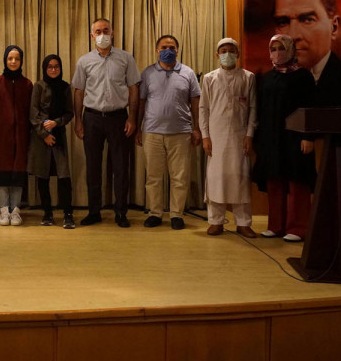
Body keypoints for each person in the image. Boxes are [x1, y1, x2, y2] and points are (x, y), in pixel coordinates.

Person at [71, 18, 140, 227]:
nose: (102, 35)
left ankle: (121, 212)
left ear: (113, 32)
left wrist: (132, 117)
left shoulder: (126, 58)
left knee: (121, 167)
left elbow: (133, 88)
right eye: (98, 31)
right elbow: (79, 91)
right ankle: (94, 211)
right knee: (93, 167)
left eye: (106, 30)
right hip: (91, 118)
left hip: (119, 118)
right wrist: (78, 120)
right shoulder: (84, 61)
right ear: (92, 35)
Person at [252, 35, 317, 242]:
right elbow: (260, 108)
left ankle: (298, 228)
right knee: (274, 179)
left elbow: (310, 107)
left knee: (297, 181)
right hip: (271, 137)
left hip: (295, 137)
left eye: (281, 48)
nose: (277, 53)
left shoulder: (302, 76)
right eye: (273, 49)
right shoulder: (267, 77)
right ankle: (275, 226)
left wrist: (308, 136)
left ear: (291, 50)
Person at [136, 35, 201, 230]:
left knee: (179, 177)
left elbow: (195, 102)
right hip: (152, 132)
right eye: (164, 47)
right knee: (153, 177)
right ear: (157, 50)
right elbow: (141, 102)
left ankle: (176, 214)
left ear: (177, 50)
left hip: (181, 133)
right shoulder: (148, 73)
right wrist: (138, 127)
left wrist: (197, 128)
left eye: (172, 47)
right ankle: (155, 213)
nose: (168, 50)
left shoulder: (188, 73)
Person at [199, 38, 257, 238]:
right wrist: (205, 136)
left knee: (240, 178)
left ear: (237, 54)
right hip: (216, 137)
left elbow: (253, 108)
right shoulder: (209, 78)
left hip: (240, 136)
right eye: (223, 51)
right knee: (217, 179)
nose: (227, 54)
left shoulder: (248, 77)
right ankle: (216, 221)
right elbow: (203, 109)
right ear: (217, 55)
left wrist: (249, 135)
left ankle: (243, 223)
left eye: (231, 50)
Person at [273, 0, 341, 107]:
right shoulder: (270, 82)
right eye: (283, 22)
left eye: (308, 20)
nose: (293, 36)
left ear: (334, 27)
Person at [0, 45, 33, 227]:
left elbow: (30, 112)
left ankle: (16, 211)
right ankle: (4, 210)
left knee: (17, 174)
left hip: (21, 136)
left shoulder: (27, 84)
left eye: (17, 59)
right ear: (5, 60)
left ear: (21, 61)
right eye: (10, 58)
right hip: (0, 137)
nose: (13, 62)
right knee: (2, 174)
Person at [28, 55, 75, 229]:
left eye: (56, 66)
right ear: (44, 69)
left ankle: (68, 214)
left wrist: (57, 122)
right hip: (41, 139)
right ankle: (47, 213)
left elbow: (69, 113)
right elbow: (33, 113)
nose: (53, 70)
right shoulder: (39, 86)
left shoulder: (65, 87)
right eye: (50, 67)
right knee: (43, 176)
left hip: (59, 136)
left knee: (64, 176)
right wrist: (44, 134)